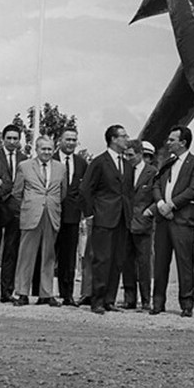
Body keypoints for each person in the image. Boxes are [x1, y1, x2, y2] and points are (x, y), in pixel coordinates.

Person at [149, 125, 194, 317]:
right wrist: (161, 203)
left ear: (183, 142)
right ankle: (157, 302)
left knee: (185, 263)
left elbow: (193, 189)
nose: (168, 143)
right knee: (160, 263)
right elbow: (156, 183)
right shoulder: (166, 162)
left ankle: (186, 304)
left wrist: (171, 205)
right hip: (163, 220)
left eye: (172, 140)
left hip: (182, 220)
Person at [80, 124, 132, 314]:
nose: (127, 139)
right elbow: (86, 189)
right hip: (104, 217)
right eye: (124, 136)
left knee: (117, 260)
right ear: (113, 139)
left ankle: (110, 299)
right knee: (102, 259)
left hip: (122, 217)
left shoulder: (127, 164)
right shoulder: (100, 162)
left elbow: (128, 192)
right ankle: (97, 300)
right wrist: (90, 214)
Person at [11, 136, 63, 306]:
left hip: (51, 214)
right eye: (43, 149)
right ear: (36, 149)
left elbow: (63, 193)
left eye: (49, 149)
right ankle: (22, 293)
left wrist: (52, 204)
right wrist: (29, 205)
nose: (47, 152)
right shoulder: (24, 167)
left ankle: (46, 293)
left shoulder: (61, 168)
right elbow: (17, 192)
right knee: (26, 254)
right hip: (31, 214)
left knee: (49, 255)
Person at [54, 128, 87, 307]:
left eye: (74, 140)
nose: (71, 143)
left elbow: (85, 189)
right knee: (47, 253)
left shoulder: (82, 163)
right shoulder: (49, 159)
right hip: (51, 213)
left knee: (69, 258)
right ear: (60, 140)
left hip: (72, 216)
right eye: (67, 139)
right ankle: (41, 292)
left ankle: (67, 294)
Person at [123, 138, 156, 310]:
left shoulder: (152, 173)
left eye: (130, 155)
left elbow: (158, 197)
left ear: (140, 154)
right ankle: (129, 298)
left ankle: (145, 299)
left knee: (144, 263)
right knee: (127, 262)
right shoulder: (124, 171)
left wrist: (149, 212)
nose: (128, 158)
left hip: (143, 224)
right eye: (126, 155)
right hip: (126, 223)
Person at [0, 124, 25, 303]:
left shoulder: (25, 159)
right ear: (3, 139)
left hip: (16, 210)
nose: (12, 141)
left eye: (15, 138)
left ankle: (7, 291)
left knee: (11, 251)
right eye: (9, 138)